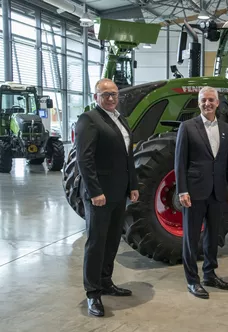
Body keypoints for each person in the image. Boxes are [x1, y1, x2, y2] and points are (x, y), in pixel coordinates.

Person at [75, 78, 139, 317]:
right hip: (99, 195)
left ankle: (106, 281)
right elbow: (85, 159)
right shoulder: (89, 120)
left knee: (112, 240)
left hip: (118, 192)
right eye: (105, 95)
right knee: (96, 243)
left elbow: (127, 156)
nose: (110, 98)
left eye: (113, 94)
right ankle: (93, 293)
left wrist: (133, 184)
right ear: (96, 97)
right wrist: (94, 191)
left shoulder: (121, 119)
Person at [175, 86, 228, 299]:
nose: (207, 103)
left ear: (218, 103)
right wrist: (182, 190)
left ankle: (210, 274)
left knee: (213, 236)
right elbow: (180, 162)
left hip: (218, 191)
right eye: (204, 100)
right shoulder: (187, 127)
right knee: (191, 238)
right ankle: (192, 280)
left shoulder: (226, 129)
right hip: (194, 192)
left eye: (211, 100)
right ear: (198, 103)